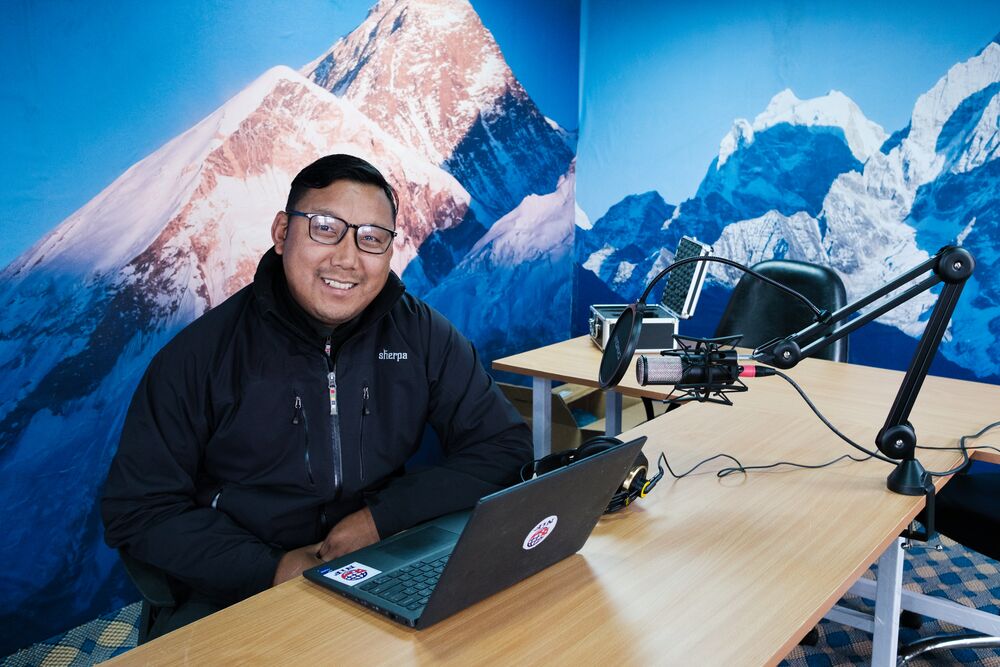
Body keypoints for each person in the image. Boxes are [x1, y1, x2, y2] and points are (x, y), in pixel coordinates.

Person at [102, 154, 532, 639]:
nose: (347, 259)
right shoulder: (200, 356)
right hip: (234, 590)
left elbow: (503, 445)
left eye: (371, 238)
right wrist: (272, 569)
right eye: (325, 228)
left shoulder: (420, 334)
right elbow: (139, 510)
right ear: (283, 232)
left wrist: (382, 519)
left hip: (379, 559)